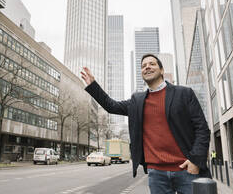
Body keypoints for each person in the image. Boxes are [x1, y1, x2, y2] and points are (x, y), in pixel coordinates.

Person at [81, 53, 211, 194]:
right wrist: (93, 86)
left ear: (161, 70)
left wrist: (195, 160)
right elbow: (111, 106)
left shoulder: (184, 94)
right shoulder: (137, 101)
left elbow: (202, 129)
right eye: (143, 66)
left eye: (152, 64)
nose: (147, 67)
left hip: (187, 170)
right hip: (157, 174)